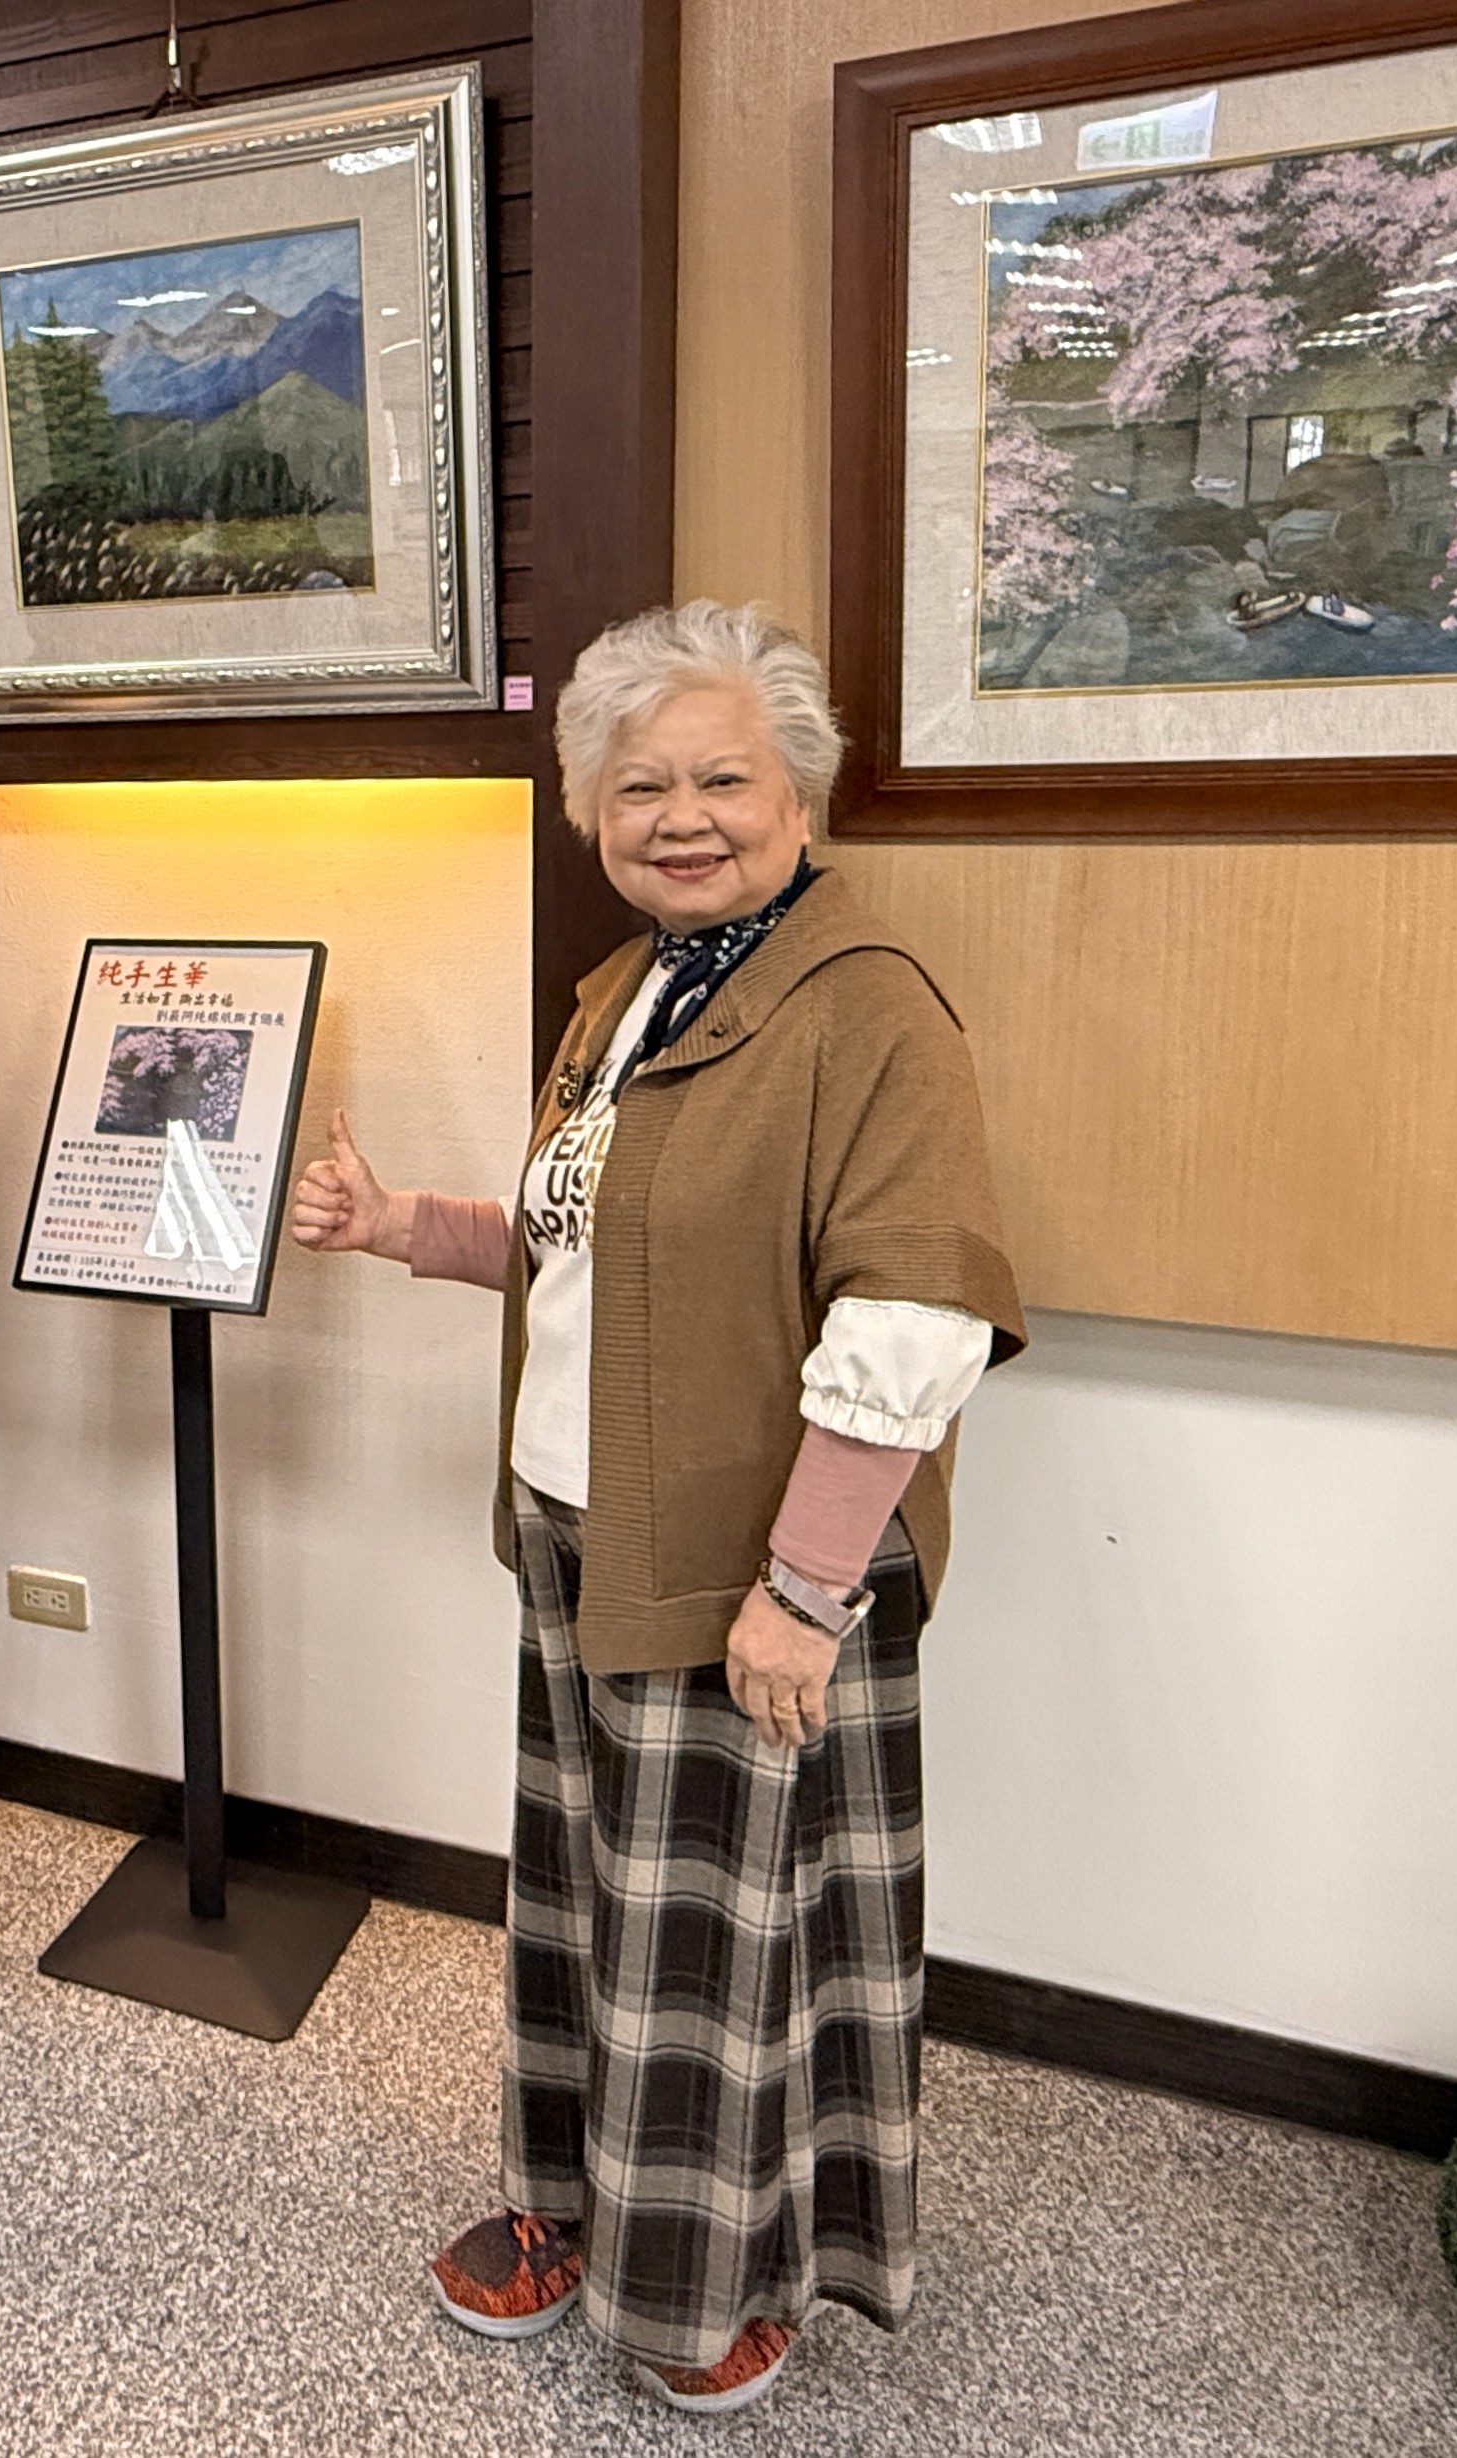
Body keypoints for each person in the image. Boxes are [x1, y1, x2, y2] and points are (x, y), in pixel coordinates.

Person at [290, 600, 1023, 2414]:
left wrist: (805, 1584)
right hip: (577, 1532)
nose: (679, 817)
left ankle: (714, 2274)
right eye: (637, 787)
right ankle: (569, 2203)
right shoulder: (625, 992)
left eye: (720, 779)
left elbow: (915, 1310)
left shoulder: (868, 1009)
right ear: (588, 811)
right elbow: (591, 1246)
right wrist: (400, 1226)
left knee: (722, 1945)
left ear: (799, 794)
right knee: (586, 1905)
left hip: (746, 1567)